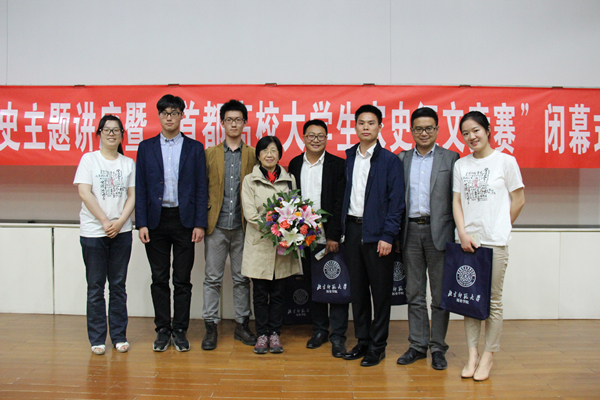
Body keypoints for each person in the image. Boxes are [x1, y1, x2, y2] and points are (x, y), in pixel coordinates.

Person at [453, 111, 525, 381]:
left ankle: (488, 356)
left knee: (493, 301)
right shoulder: (461, 165)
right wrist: (462, 233)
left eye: (476, 130)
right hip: (468, 243)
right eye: (466, 133)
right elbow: (456, 202)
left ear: (488, 130)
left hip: (495, 243)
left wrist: (502, 227)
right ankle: (472, 355)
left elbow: (519, 199)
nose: (471, 137)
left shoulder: (506, 161)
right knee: (470, 300)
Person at [135, 94, 208, 352]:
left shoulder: (194, 148)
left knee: (182, 279)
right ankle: (162, 330)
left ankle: (180, 330)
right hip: (155, 221)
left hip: (184, 221)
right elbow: (140, 187)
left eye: (174, 112)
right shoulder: (146, 148)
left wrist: (200, 223)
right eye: (165, 113)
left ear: (181, 116)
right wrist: (141, 223)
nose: (169, 117)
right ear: (159, 116)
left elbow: (201, 187)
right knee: (159, 278)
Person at [341, 104, 405, 367]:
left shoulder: (390, 161)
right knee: (357, 292)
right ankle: (363, 340)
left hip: (378, 234)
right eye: (361, 123)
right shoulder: (349, 157)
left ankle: (378, 346)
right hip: (352, 231)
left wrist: (388, 235)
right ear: (355, 126)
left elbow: (396, 202)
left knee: (380, 293)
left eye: (371, 123)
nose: (366, 127)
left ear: (380, 126)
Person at [396, 107, 460, 370]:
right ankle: (417, 345)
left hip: (440, 233)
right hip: (410, 231)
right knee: (414, 292)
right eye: (419, 129)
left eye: (429, 128)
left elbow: (458, 199)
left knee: (440, 295)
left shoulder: (451, 158)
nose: (424, 133)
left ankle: (438, 347)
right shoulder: (401, 159)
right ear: (411, 131)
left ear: (437, 130)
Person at [74, 115, 135, 355]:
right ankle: (97, 338)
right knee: (95, 287)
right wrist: (104, 221)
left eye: (116, 130)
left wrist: (119, 222)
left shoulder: (128, 163)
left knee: (118, 286)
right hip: (93, 232)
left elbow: (132, 196)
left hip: (122, 232)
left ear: (121, 135)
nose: (111, 134)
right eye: (107, 130)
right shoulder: (89, 159)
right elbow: (84, 192)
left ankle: (119, 336)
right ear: (99, 133)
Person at [288, 119, 349, 358]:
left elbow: (340, 202)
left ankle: (338, 335)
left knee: (336, 283)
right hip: (305, 238)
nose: (315, 140)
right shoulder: (295, 164)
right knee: (313, 284)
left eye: (320, 136)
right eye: (311, 135)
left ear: (326, 138)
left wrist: (334, 235)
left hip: (329, 237)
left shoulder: (337, 164)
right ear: (303, 138)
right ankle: (320, 330)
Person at [202, 100, 256, 350]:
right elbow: (202, 189)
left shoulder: (253, 154)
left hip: (244, 227)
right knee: (212, 278)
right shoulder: (210, 154)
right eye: (229, 120)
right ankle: (210, 327)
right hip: (216, 226)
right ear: (222, 123)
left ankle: (242, 325)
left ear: (245, 123)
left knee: (242, 279)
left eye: (238, 120)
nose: (234, 124)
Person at [240, 135, 300, 354]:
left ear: (279, 154)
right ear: (258, 155)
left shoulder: (290, 179)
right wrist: (273, 227)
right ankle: (261, 334)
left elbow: (294, 210)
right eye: (265, 151)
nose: (269, 155)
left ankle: (275, 333)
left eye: (273, 150)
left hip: (282, 246)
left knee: (278, 293)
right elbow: (250, 213)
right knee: (260, 293)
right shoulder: (249, 180)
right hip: (259, 243)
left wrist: (285, 228)